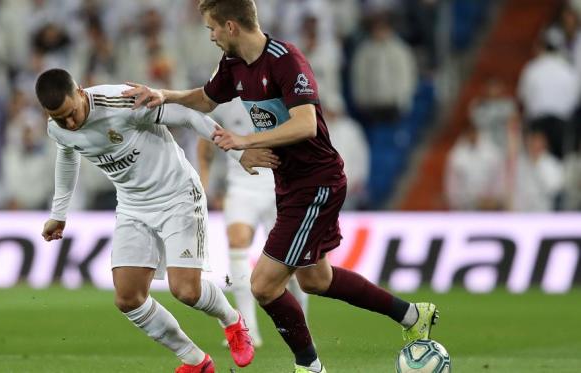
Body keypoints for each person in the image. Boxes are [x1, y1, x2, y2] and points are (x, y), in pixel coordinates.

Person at [122, 1, 439, 372]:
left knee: (264, 286)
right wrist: (167, 95)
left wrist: (247, 140)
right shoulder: (234, 64)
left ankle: (310, 366)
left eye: (211, 28)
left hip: (316, 182)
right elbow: (207, 99)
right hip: (289, 183)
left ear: (230, 26)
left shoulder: (286, 59)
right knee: (317, 279)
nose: (209, 36)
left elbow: (305, 124)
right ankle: (412, 314)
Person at [36, 68, 280, 373]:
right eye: (60, 118)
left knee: (186, 291)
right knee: (128, 298)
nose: (69, 123)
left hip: (177, 195)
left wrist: (236, 153)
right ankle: (195, 360)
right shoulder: (58, 128)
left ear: (80, 91)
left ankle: (232, 321)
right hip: (132, 205)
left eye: (71, 113)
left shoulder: (122, 103)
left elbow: (189, 117)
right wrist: (59, 215)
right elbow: (68, 155)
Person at [197, 98, 309, 348]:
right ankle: (248, 330)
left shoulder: (275, 84)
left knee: (289, 262)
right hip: (241, 186)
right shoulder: (221, 92)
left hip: (280, 183)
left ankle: (301, 326)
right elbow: (205, 141)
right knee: (237, 242)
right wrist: (204, 184)